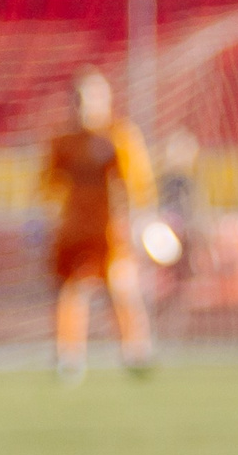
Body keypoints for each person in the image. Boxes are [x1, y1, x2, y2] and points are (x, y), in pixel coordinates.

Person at [39, 67, 157, 381]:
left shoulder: (119, 136)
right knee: (70, 290)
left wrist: (140, 221)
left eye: (88, 98)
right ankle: (69, 356)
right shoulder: (63, 141)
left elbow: (138, 183)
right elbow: (49, 184)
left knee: (121, 287)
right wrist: (38, 219)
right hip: (74, 229)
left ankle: (135, 349)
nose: (81, 106)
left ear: (105, 99)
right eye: (75, 99)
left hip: (111, 229)